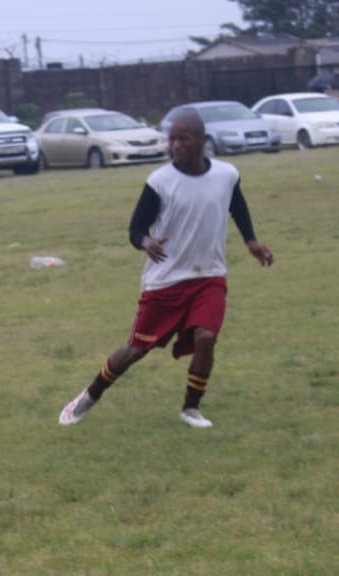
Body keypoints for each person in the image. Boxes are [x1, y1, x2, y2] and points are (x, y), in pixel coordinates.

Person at [58, 109, 273, 430]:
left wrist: (251, 241)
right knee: (134, 351)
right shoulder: (160, 182)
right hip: (165, 282)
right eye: (172, 139)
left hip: (209, 276)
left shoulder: (227, 174)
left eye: (183, 138)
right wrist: (146, 242)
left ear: (200, 140)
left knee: (206, 337)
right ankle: (89, 396)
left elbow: (237, 205)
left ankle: (191, 408)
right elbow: (135, 229)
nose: (175, 145)